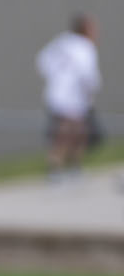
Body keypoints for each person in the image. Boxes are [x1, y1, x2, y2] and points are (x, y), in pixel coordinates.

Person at [37, 15, 101, 180]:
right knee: (72, 133)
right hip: (74, 97)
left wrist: (55, 78)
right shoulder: (85, 46)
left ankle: (60, 167)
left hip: (57, 95)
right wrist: (90, 92)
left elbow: (43, 60)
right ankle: (65, 168)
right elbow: (88, 75)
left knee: (64, 133)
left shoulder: (62, 41)